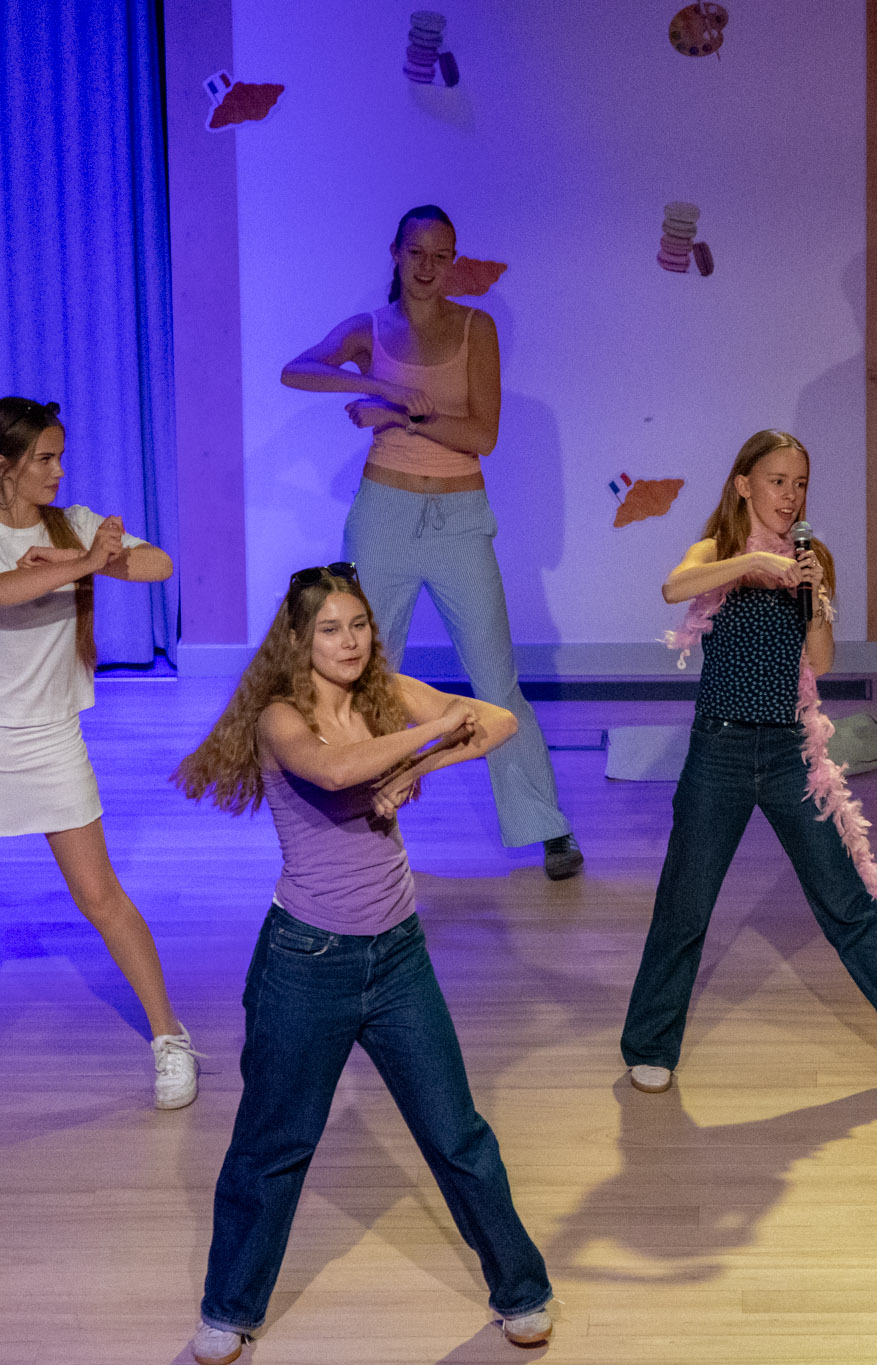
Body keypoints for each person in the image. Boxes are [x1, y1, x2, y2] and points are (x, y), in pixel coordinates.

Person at [173, 565, 553, 1365]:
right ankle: (229, 1308)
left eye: (359, 625)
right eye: (330, 629)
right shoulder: (281, 716)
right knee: (273, 1145)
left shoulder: (382, 696)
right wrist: (425, 736)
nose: (349, 642)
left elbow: (497, 720)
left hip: (399, 955)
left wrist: (419, 767)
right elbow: (337, 771)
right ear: (298, 639)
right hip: (306, 962)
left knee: (457, 1134)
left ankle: (522, 1290)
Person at [622, 430, 877, 1100]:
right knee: (685, 903)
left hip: (791, 756)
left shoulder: (810, 556)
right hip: (719, 751)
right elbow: (673, 586)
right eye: (777, 481)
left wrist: (816, 599)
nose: (790, 495)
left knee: (844, 899)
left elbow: (820, 661)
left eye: (800, 484)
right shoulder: (717, 549)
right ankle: (651, 1044)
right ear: (744, 484)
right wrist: (751, 565)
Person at [280, 204, 582, 879]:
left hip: (458, 519)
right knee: (358, 674)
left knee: (495, 678)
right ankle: (354, 824)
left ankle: (546, 825)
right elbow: (296, 370)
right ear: (396, 253)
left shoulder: (477, 327)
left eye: (440, 255)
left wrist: (401, 414)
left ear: (454, 262)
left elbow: (482, 435)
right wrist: (373, 383)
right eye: (416, 252)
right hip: (383, 516)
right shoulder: (370, 329)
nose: (426, 266)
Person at [0, 397, 195, 1110]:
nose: (58, 470)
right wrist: (82, 564)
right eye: (44, 459)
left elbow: (160, 564)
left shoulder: (72, 525)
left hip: (51, 737)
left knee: (99, 896)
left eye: (60, 456)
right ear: (4, 466)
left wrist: (93, 560)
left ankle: (170, 1036)